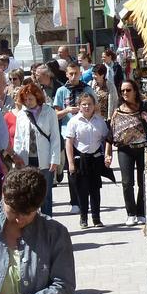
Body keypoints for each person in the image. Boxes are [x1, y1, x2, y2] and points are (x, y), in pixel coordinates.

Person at [11, 83, 61, 216]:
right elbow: (18, 138)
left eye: (31, 99)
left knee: (45, 193)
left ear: (38, 97)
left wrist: (55, 159)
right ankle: (32, 223)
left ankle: (47, 221)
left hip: (45, 159)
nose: (28, 102)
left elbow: (55, 137)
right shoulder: (22, 114)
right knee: (29, 193)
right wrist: (16, 158)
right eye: (25, 99)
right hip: (27, 159)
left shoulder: (49, 112)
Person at [64, 93, 112, 228]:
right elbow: (69, 143)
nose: (87, 107)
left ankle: (96, 218)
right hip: (80, 159)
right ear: (79, 106)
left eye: (89, 104)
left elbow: (107, 138)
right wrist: (71, 163)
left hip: (95, 159)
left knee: (95, 189)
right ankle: (83, 218)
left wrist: (108, 155)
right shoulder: (73, 122)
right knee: (82, 190)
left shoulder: (100, 121)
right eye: (83, 104)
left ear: (94, 105)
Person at [52, 63, 95, 214]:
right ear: (66, 75)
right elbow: (55, 114)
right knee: (72, 168)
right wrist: (67, 110)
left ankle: (87, 198)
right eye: (70, 74)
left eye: (76, 73)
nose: (73, 76)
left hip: (85, 134)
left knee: (87, 168)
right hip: (68, 133)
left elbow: (95, 109)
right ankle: (75, 201)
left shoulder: (87, 89)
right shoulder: (61, 91)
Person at [110, 79, 147, 226]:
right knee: (127, 182)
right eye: (122, 91)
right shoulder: (118, 111)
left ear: (135, 91)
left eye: (128, 90)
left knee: (143, 181)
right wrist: (108, 154)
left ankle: (141, 212)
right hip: (124, 150)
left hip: (143, 148)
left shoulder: (145, 107)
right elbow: (111, 134)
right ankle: (130, 213)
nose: (125, 93)